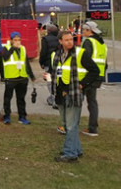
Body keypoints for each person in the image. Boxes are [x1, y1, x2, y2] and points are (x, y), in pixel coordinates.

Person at [48, 30, 98, 162]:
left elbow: (95, 71)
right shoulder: (57, 55)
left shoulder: (80, 53)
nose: (70, 42)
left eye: (71, 39)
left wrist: (82, 84)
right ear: (60, 42)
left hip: (74, 93)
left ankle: (70, 153)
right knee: (67, 123)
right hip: (60, 93)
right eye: (67, 40)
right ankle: (76, 149)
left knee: (70, 124)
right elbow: (57, 71)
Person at [0, 32, 35, 125]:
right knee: (7, 98)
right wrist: (13, 48)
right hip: (11, 78)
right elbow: (5, 57)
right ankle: (7, 116)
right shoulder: (5, 48)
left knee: (21, 99)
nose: (17, 42)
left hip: (22, 77)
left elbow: (26, 63)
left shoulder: (23, 48)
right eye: (15, 40)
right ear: (11, 40)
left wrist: (31, 76)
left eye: (19, 40)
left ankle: (22, 117)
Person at [80, 21, 107, 137]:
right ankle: (93, 127)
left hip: (88, 76)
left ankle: (89, 128)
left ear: (89, 31)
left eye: (83, 30)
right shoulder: (102, 44)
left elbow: (85, 59)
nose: (82, 32)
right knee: (92, 102)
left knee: (77, 101)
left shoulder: (88, 42)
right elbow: (105, 63)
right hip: (98, 76)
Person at [39, 24, 59, 107]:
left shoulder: (45, 39)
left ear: (48, 31)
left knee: (49, 81)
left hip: (48, 63)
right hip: (58, 63)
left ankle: (54, 98)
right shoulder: (59, 39)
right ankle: (53, 97)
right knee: (57, 81)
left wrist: (41, 62)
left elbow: (43, 52)